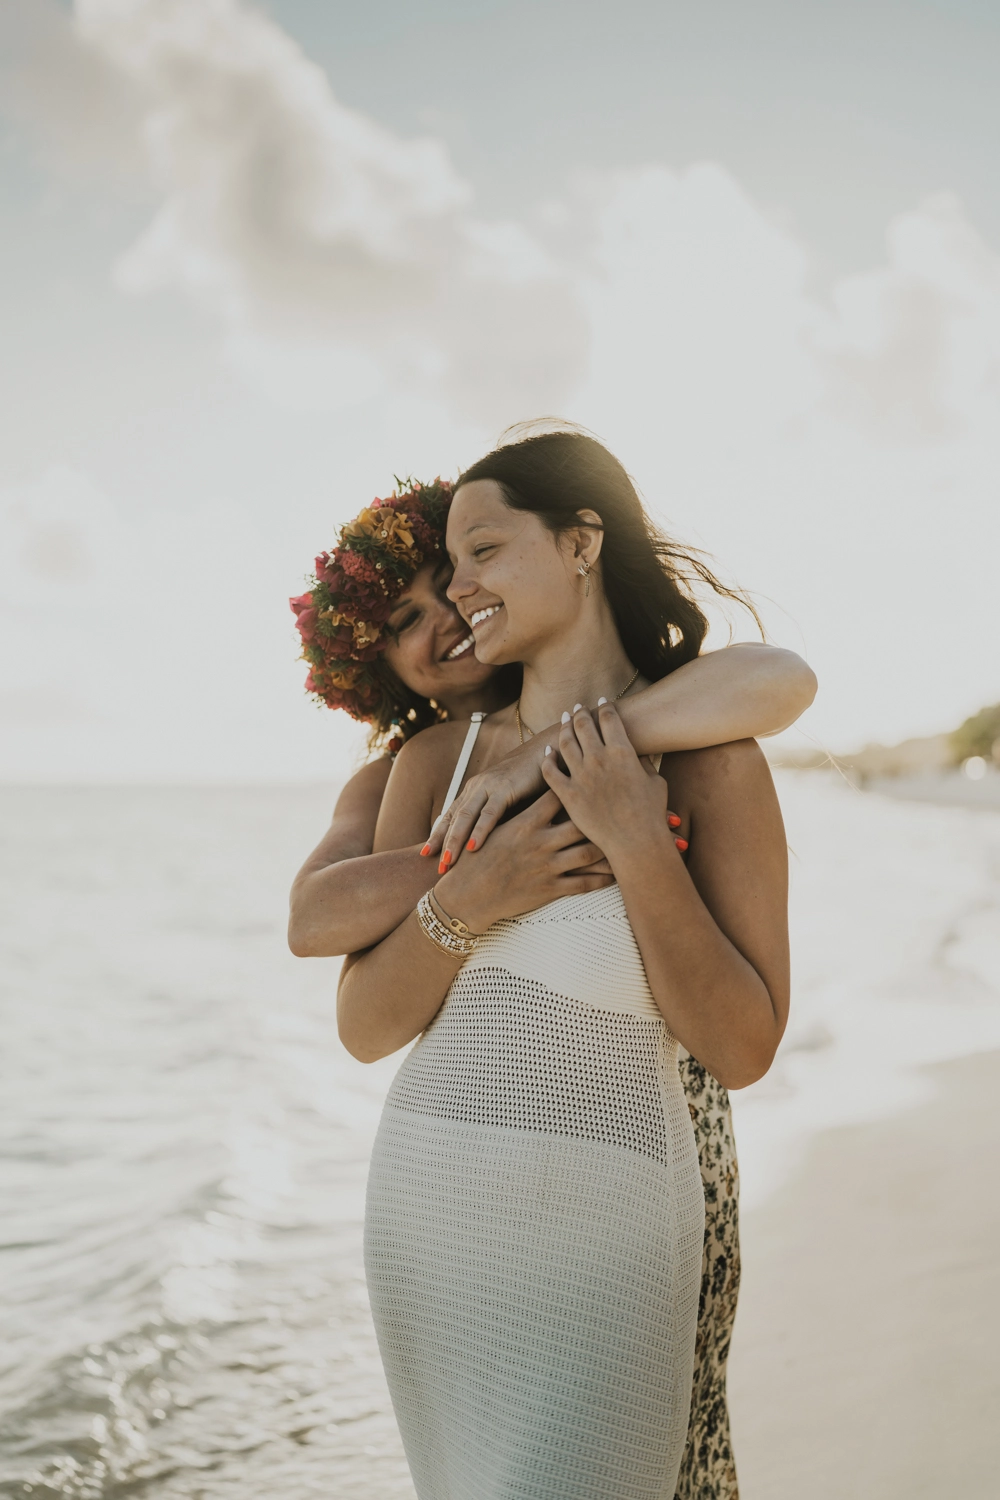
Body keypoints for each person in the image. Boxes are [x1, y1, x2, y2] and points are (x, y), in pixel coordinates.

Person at [306, 431, 794, 1500]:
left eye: (479, 553)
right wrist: (471, 895)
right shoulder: (434, 764)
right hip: (430, 1221)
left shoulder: (709, 757)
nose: (457, 591)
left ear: (580, 543)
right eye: (448, 566)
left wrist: (631, 836)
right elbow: (365, 1026)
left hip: (613, 1236)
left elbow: (744, 1048)